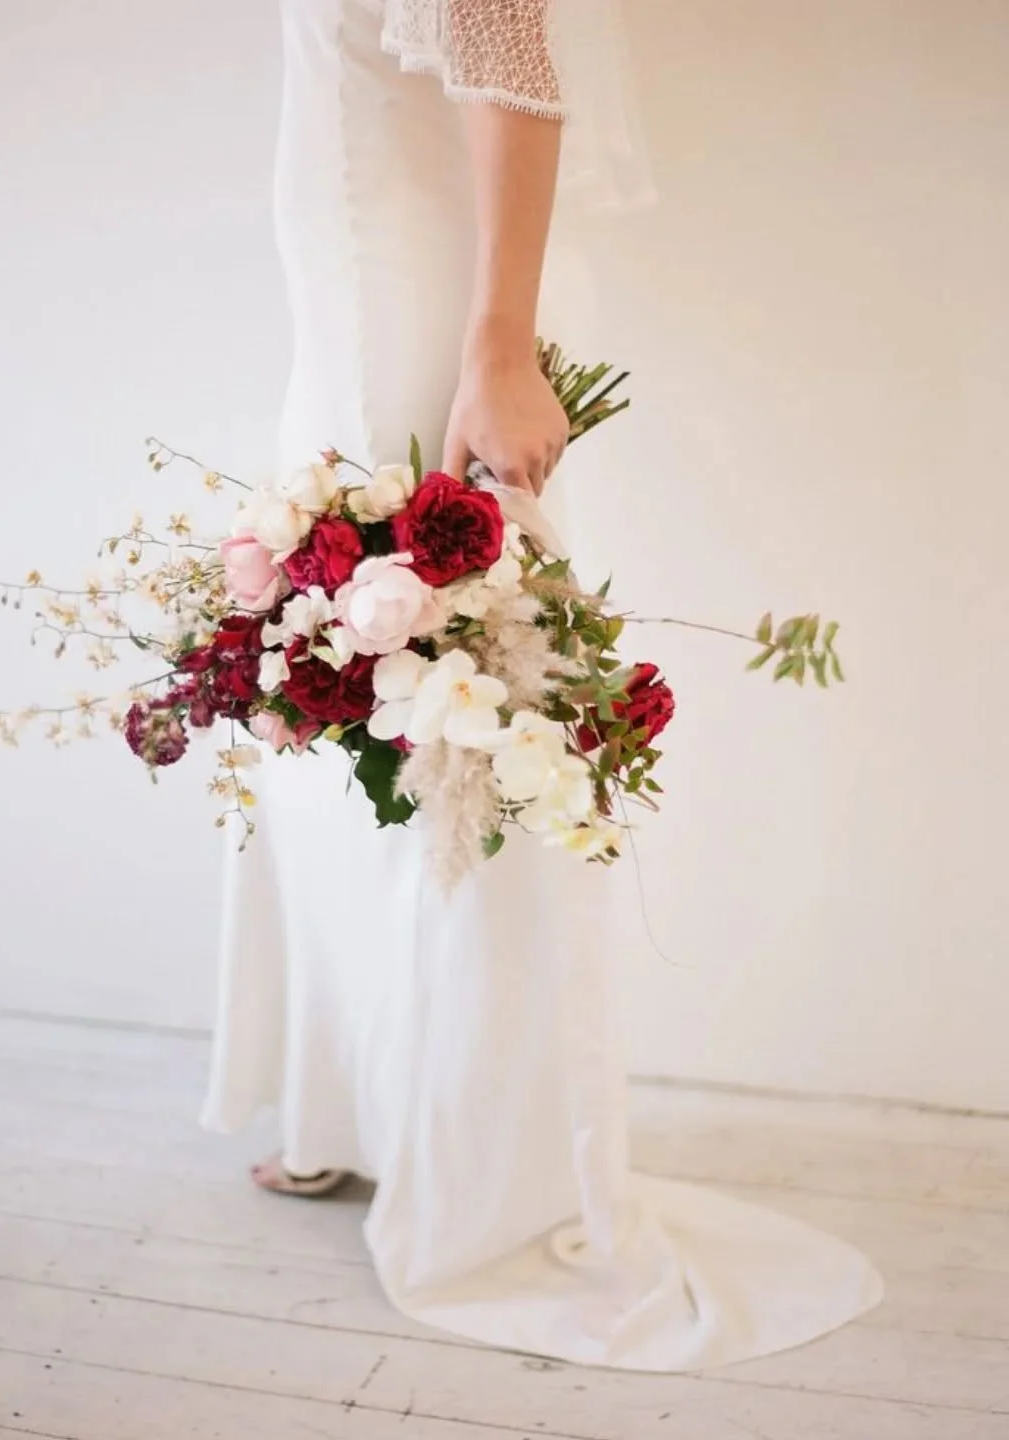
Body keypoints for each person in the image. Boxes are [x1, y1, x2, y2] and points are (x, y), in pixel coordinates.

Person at [203, 0, 882, 1370]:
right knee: (348, 703)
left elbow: (506, 40)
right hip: (354, 303)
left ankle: (492, 1177)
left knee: (439, 711)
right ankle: (354, 1111)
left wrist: (498, 352)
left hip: (410, 313)